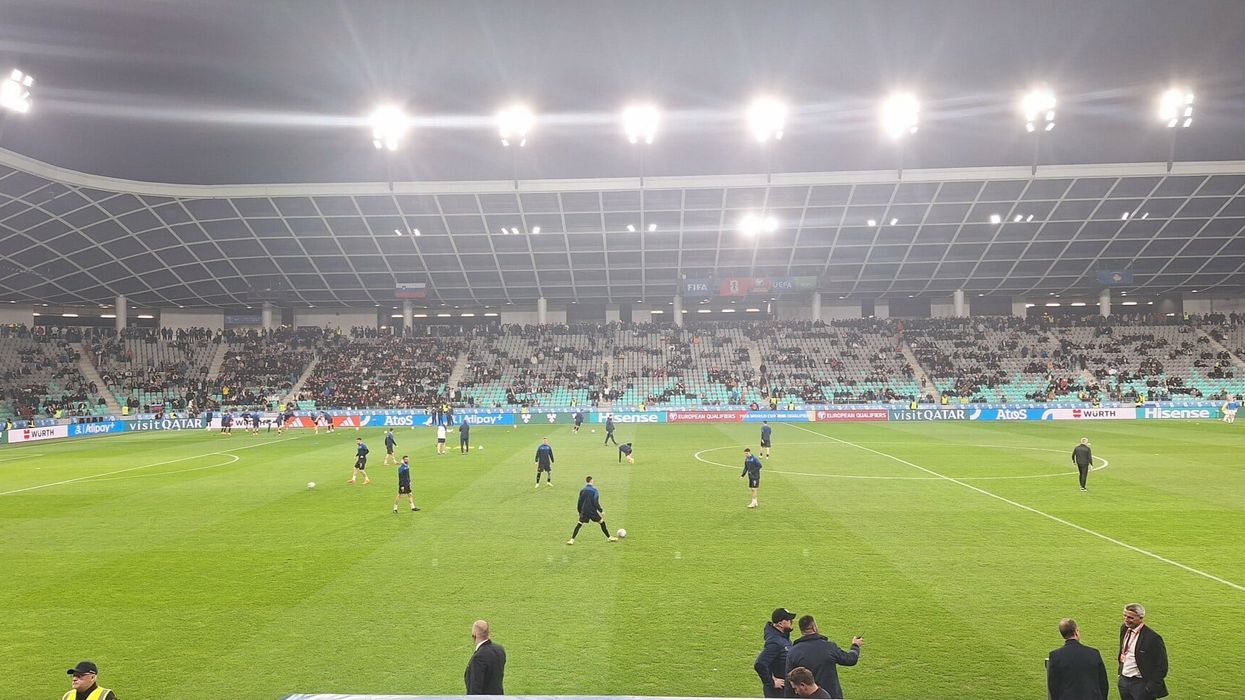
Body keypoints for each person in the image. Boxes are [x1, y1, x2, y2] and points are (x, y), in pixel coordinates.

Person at [784, 615, 862, 700]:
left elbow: (789, 682)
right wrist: (855, 645)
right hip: (831, 696)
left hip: (806, 696)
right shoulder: (828, 647)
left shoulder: (793, 652)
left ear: (802, 630)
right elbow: (850, 659)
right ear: (814, 627)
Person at [1047, 618, 1108, 700]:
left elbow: (1053, 686)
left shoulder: (1055, 656)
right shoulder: (1094, 653)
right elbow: (1103, 683)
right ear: (1076, 632)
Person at [1117, 603, 1168, 700]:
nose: (1126, 619)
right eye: (1125, 615)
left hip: (1141, 684)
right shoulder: (1124, 628)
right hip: (1124, 681)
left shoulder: (1152, 638)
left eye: (1130, 617)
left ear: (1141, 618)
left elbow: (1162, 666)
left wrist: (1150, 687)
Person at [754, 608, 796, 697]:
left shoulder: (783, 638)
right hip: (778, 692)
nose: (791, 621)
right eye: (788, 620)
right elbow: (760, 664)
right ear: (780, 624)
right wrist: (771, 681)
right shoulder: (775, 642)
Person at [567, 476, 617, 544]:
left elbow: (579, 502)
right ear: (591, 481)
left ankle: (572, 540)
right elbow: (595, 502)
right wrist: (601, 511)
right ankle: (609, 537)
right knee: (602, 522)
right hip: (592, 511)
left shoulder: (582, 490)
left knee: (579, 524)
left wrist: (580, 511)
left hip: (584, 511)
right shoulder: (595, 490)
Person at [464, 619, 506, 695]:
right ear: (488, 632)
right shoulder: (500, 650)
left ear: (474, 634)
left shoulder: (478, 658)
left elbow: (475, 688)